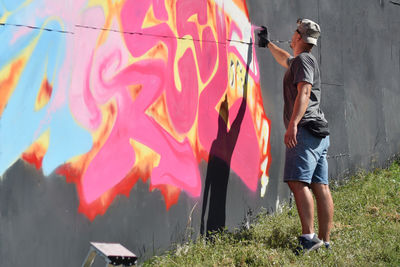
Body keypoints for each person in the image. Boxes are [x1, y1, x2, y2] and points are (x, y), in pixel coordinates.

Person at [258, 19, 334, 252]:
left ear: (299, 37)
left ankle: (308, 238)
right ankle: (324, 241)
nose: (291, 36)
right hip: (318, 133)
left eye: (294, 33)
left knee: (296, 181)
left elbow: (304, 90)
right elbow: (285, 59)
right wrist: (267, 44)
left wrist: (293, 124)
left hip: (305, 131)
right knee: (320, 185)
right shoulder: (301, 61)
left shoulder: (303, 61)